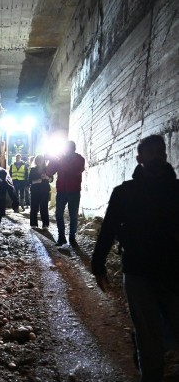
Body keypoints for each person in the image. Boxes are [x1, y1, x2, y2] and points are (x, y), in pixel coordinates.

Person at [91, 134, 179, 382]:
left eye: (160, 152)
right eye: (150, 153)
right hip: (138, 272)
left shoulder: (176, 190)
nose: (156, 156)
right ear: (139, 158)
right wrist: (98, 265)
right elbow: (108, 229)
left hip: (173, 270)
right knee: (148, 338)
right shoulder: (124, 193)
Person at [46, 140, 85, 246]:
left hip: (74, 191)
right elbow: (49, 171)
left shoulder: (79, 159)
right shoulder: (60, 159)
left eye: (68, 149)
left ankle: (72, 238)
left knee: (73, 216)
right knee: (58, 214)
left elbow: (75, 171)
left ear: (73, 149)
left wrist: (59, 160)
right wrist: (52, 160)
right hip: (62, 191)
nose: (66, 151)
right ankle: (61, 237)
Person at [28, 154, 51, 229]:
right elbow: (29, 181)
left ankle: (45, 224)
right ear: (36, 161)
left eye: (41, 160)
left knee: (44, 208)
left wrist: (47, 177)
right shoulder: (33, 169)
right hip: (35, 191)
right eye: (38, 160)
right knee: (34, 207)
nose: (39, 161)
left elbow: (52, 179)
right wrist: (35, 181)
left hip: (44, 191)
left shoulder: (47, 169)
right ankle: (33, 224)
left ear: (43, 161)